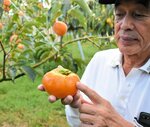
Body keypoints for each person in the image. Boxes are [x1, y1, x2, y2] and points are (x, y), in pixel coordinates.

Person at [38, 0, 150, 126]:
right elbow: (78, 123)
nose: (125, 25)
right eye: (119, 14)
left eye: (139, 15)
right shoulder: (100, 61)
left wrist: (117, 123)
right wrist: (77, 108)